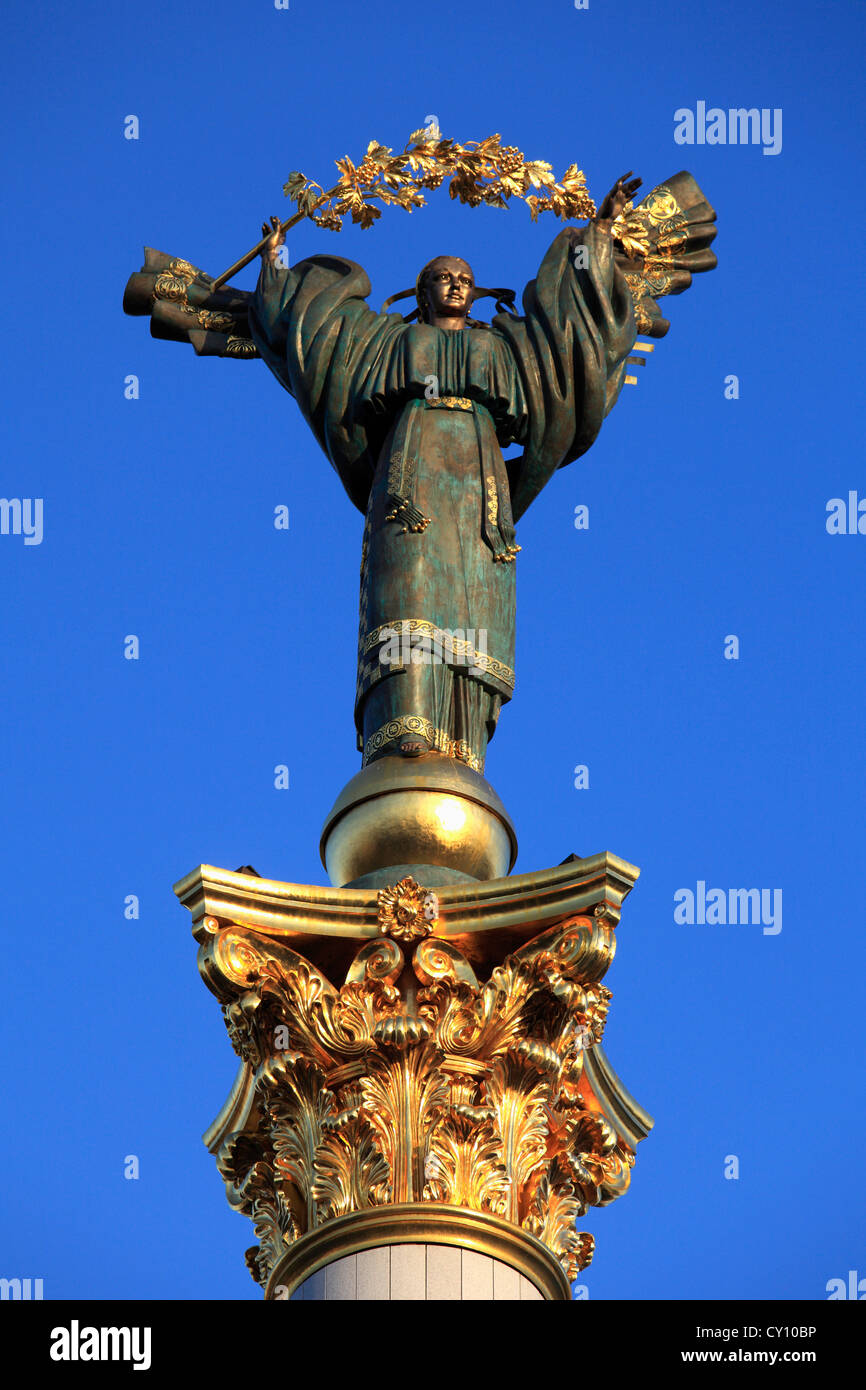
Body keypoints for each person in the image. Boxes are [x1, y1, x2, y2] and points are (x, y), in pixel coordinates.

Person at [247, 175, 664, 772]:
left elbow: (573, 338)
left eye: (465, 279)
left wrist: (597, 235)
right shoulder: (387, 340)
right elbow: (313, 335)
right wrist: (277, 267)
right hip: (409, 479)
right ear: (421, 291)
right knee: (411, 591)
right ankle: (402, 731)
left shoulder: (507, 347)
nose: (456, 286)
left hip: (480, 486)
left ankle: (463, 747)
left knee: (470, 605)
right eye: (443, 277)